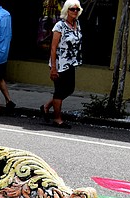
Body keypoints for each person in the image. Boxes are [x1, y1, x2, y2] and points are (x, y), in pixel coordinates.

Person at [41, 0, 82, 129]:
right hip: (59, 63)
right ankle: (57, 119)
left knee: (69, 89)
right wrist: (53, 67)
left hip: (71, 62)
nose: (75, 11)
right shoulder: (60, 26)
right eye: (72, 9)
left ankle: (47, 106)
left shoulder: (77, 24)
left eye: (77, 9)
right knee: (59, 91)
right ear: (66, 10)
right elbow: (53, 48)